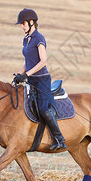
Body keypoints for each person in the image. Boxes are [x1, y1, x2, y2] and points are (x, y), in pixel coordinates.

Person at [13, 8, 66, 151]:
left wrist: (27, 74)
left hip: (41, 80)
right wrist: (19, 74)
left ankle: (59, 139)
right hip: (31, 79)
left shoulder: (39, 38)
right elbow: (28, 60)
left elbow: (43, 61)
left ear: (31, 23)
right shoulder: (26, 39)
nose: (22, 26)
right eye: (21, 24)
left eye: (23, 23)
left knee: (44, 110)